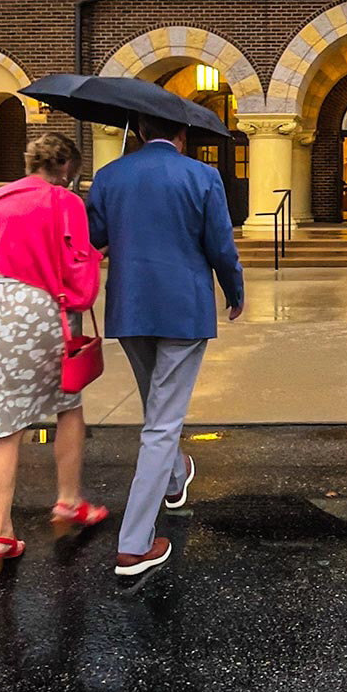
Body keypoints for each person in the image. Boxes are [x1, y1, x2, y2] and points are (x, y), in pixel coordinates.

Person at [86, 110, 244, 577]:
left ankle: (175, 479)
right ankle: (134, 543)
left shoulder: (110, 175)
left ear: (137, 131)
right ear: (181, 134)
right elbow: (220, 244)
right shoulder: (202, 176)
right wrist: (234, 290)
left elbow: (95, 240)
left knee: (157, 407)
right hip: (183, 308)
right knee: (161, 423)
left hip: (131, 307)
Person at [0, 131, 109, 574]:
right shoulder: (64, 202)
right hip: (40, 308)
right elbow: (75, 273)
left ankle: (1, 533)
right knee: (69, 403)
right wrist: (95, 259)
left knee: (5, 428)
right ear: (66, 166)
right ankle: (68, 501)